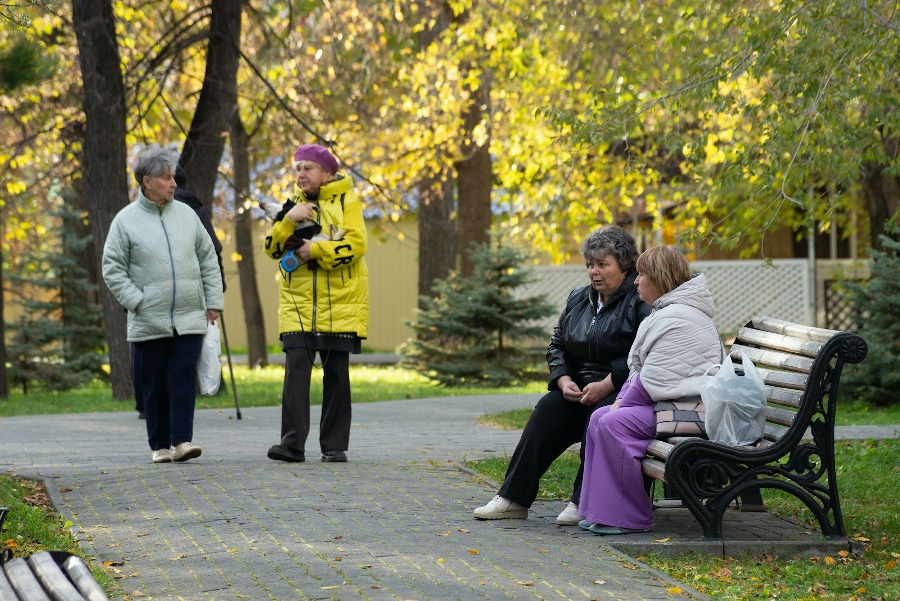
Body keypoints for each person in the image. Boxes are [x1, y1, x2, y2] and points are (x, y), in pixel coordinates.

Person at [474, 226, 651, 524]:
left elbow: (642, 354)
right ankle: (512, 498)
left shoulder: (639, 301)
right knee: (547, 409)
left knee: (601, 413)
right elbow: (557, 344)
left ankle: (582, 500)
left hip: (620, 390)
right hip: (577, 388)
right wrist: (563, 379)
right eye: (590, 265)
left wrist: (607, 383)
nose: (594, 272)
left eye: (602, 265)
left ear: (624, 266)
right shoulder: (579, 298)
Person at [577, 245, 724, 535]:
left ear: (657, 278)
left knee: (613, 422)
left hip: (690, 412)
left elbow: (654, 378)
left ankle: (628, 517)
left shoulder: (679, 316)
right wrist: (620, 400)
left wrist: (621, 403)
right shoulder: (670, 311)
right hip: (672, 407)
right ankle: (602, 511)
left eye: (641, 274)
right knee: (599, 417)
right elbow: (646, 373)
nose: (635, 280)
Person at [102, 146, 225, 464]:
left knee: (183, 376)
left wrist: (213, 301)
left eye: (173, 177)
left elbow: (208, 258)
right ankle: (159, 446)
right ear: (147, 181)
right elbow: (112, 268)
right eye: (166, 178)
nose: (173, 183)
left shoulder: (187, 215)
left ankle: (182, 441)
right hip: (148, 318)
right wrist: (136, 301)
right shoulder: (125, 221)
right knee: (154, 382)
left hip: (189, 314)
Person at [263, 143, 369, 463]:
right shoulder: (291, 205)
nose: (301, 174)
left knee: (336, 374)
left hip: (341, 303)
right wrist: (287, 221)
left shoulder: (348, 202)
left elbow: (357, 245)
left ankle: (334, 445)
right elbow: (271, 249)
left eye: (308, 168)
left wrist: (317, 251)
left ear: (327, 173)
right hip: (297, 303)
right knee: (296, 371)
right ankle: (292, 444)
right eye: (297, 168)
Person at [133, 164, 227, 418]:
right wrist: (217, 292)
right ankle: (177, 409)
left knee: (149, 349)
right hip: (190, 293)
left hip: (148, 295)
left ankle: (145, 404)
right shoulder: (196, 209)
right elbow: (212, 252)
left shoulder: (137, 210)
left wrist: (131, 298)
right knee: (182, 354)